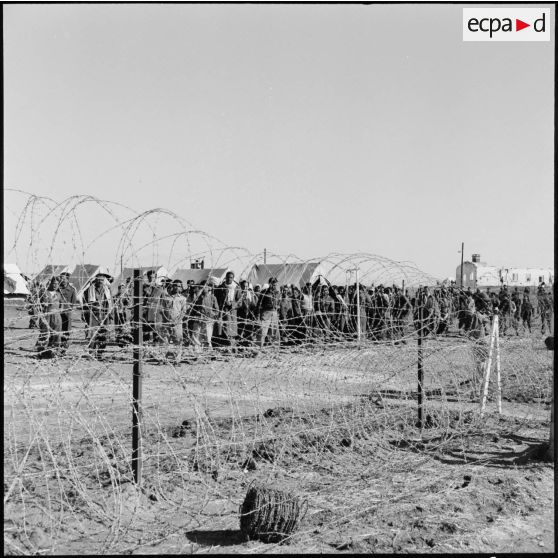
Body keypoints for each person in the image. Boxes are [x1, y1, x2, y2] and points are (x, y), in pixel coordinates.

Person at [82, 272, 113, 358]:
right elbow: (85, 303)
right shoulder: (89, 290)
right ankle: (91, 353)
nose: (100, 281)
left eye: (102, 280)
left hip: (104, 314)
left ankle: (100, 353)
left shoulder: (107, 290)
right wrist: (85, 314)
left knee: (104, 334)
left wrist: (111, 315)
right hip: (93, 315)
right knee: (92, 334)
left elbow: (111, 302)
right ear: (96, 279)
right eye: (99, 279)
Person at [35, 276, 63, 357]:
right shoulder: (44, 293)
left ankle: (54, 352)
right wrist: (43, 306)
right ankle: (41, 351)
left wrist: (60, 309)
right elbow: (37, 304)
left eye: (57, 284)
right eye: (54, 283)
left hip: (57, 317)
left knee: (56, 334)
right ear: (50, 283)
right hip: (46, 315)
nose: (55, 285)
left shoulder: (59, 294)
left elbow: (62, 305)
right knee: (45, 333)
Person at [189, 280, 220, 353]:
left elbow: (216, 310)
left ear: (209, 288)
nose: (203, 288)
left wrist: (210, 314)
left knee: (207, 337)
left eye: (205, 286)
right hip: (198, 319)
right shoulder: (197, 297)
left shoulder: (212, 297)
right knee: (196, 337)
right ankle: (197, 353)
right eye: (202, 287)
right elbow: (193, 307)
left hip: (208, 320)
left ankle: (207, 353)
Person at [214, 271, 243, 350]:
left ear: (233, 278)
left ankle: (231, 347)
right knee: (222, 329)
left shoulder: (236, 288)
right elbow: (216, 298)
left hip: (232, 312)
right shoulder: (220, 287)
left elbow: (240, 302)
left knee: (231, 330)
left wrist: (232, 304)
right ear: (225, 277)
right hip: (222, 311)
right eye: (228, 277)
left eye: (231, 277)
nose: (229, 279)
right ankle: (223, 347)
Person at [164, 279, 188, 360]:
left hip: (177, 322)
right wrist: (166, 319)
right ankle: (164, 357)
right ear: (172, 286)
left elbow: (183, 311)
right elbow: (163, 309)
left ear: (181, 288)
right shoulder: (167, 298)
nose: (176, 288)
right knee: (165, 339)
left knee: (177, 340)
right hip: (167, 321)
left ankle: (177, 359)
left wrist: (177, 321)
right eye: (175, 285)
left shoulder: (182, 299)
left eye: (179, 286)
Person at [257, 277, 281, 348]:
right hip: (266, 312)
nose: (274, 286)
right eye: (273, 284)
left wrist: (278, 307)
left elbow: (279, 303)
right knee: (263, 331)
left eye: (276, 285)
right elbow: (259, 304)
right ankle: (259, 348)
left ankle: (275, 348)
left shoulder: (278, 293)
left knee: (274, 331)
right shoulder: (264, 292)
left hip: (274, 313)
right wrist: (258, 315)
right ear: (270, 284)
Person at [57, 271, 78, 350]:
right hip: (57, 312)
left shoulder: (72, 290)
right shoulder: (57, 289)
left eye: (63, 278)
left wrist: (68, 310)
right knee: (57, 329)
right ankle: (57, 345)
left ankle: (65, 346)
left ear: (67, 280)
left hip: (67, 313)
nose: (61, 280)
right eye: (60, 278)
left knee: (66, 330)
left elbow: (73, 302)